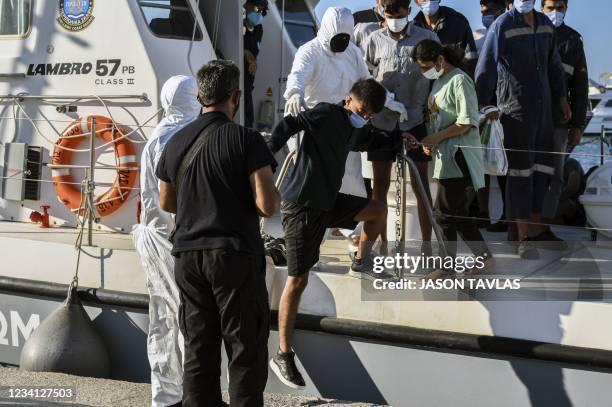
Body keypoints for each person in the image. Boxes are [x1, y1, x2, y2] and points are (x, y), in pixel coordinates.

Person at [157, 60, 280, 407]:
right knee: (244, 348)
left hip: (188, 256)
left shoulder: (176, 141)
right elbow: (267, 205)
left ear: (199, 95)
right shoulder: (247, 139)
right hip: (233, 255)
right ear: (236, 96)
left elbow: (168, 201)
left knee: (199, 344)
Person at [268, 79, 391, 389]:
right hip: (302, 205)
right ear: (348, 99)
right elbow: (287, 124)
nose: (365, 117)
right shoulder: (326, 114)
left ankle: (361, 261)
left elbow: (371, 140)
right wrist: (266, 158)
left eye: (370, 115)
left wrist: (406, 141)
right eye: (362, 110)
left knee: (378, 211)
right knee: (298, 279)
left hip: (327, 203)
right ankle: (283, 354)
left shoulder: (357, 126)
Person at [284, 6, 406, 252]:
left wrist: (389, 100)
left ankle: (353, 241)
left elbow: (366, 82)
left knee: (351, 183)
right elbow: (297, 75)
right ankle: (307, 242)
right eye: (337, 37)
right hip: (313, 133)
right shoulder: (309, 51)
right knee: (313, 191)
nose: (341, 41)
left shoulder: (352, 52)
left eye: (345, 36)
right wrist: (294, 92)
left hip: (344, 129)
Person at [475, 0, 571, 259]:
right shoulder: (502, 25)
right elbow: (485, 69)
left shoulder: (546, 25)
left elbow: (554, 65)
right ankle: (522, 238)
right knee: (520, 174)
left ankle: (535, 232)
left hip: (545, 112)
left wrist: (562, 98)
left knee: (541, 171)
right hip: (514, 112)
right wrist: (485, 106)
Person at [133, 75, 200, 407]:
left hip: (156, 239)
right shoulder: (188, 137)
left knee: (162, 319)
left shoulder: (154, 139)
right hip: (180, 241)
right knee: (190, 318)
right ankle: (192, 394)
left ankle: (165, 396)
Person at [358, 0, 439, 266]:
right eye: (389, 14)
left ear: (409, 12)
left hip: (414, 121)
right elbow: (364, 78)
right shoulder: (372, 39)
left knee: (421, 185)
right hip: (381, 123)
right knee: (379, 186)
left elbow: (438, 75)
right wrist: (384, 100)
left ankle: (427, 246)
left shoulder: (427, 38)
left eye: (399, 14)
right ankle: (382, 245)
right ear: (383, 12)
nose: (394, 19)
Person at [410, 40, 494, 278]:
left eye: (425, 66)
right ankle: (484, 259)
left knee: (443, 214)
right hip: (445, 157)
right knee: (457, 213)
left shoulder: (459, 80)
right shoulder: (438, 82)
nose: (423, 71)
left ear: (439, 60)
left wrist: (436, 137)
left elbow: (467, 121)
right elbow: (438, 120)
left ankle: (447, 267)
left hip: (460, 156)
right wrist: (432, 143)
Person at [540, 0, 589, 245]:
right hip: (529, 119)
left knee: (556, 176)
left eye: (560, 7)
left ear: (566, 9)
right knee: (525, 174)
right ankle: (519, 228)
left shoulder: (573, 41)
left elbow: (580, 88)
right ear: (541, 7)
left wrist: (578, 125)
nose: (555, 12)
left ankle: (545, 226)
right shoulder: (530, 34)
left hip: (560, 121)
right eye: (550, 7)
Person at [413, 0, 479, 77]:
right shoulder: (413, 28)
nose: (429, 2)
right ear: (416, 2)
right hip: (424, 87)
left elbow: (471, 60)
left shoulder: (458, 23)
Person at [243, 0, 268, 129]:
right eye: (258, 10)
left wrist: (253, 60)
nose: (260, 14)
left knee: (248, 123)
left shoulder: (258, 29)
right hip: (235, 86)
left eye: (264, 12)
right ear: (248, 5)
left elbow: (254, 52)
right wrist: (246, 53)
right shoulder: (237, 21)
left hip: (248, 86)